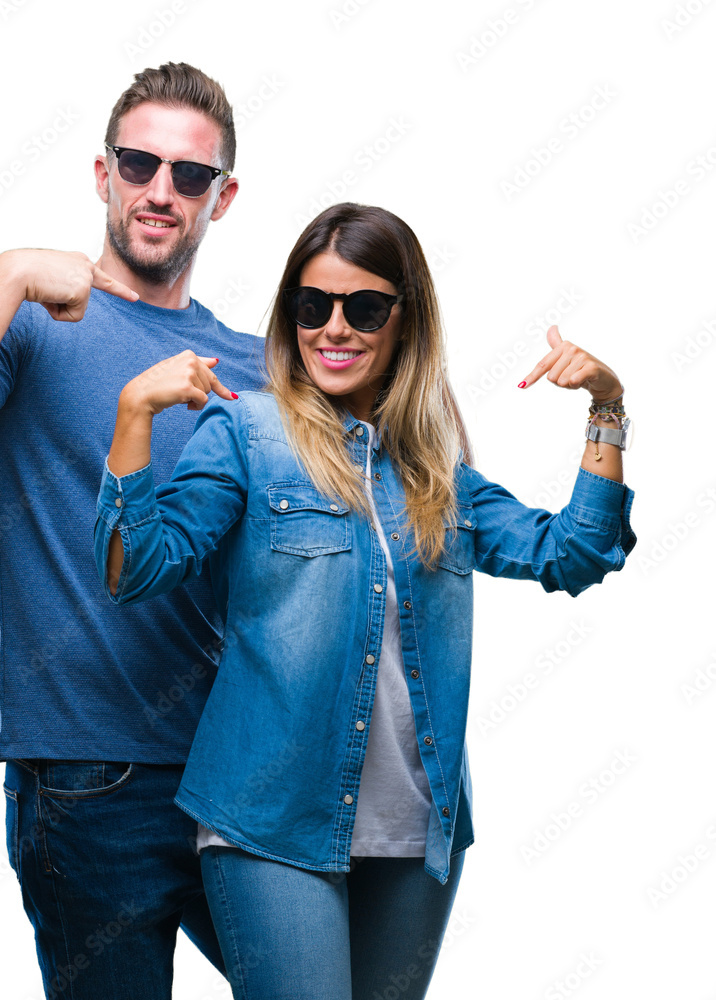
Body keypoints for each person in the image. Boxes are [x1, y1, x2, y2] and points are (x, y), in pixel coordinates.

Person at [94, 202, 636, 1000]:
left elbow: (575, 553)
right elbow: (135, 569)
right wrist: (133, 413)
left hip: (418, 832)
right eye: (313, 307)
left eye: (365, 308)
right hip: (269, 818)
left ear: (404, 321)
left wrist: (607, 407)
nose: (334, 330)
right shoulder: (248, 436)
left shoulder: (435, 471)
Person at [0, 63, 265, 999]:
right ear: (103, 173)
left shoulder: (249, 363)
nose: (160, 191)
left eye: (190, 175)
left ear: (223, 197)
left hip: (243, 769)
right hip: (92, 779)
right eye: (138, 164)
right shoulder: (31, 324)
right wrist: (4, 276)